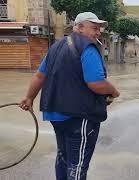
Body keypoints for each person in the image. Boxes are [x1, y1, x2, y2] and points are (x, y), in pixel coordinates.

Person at [19, 12, 120, 180]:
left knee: (63, 158)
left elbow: (39, 76)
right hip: (79, 116)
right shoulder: (87, 47)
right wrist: (114, 91)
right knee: (77, 165)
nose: (98, 32)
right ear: (79, 27)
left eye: (99, 28)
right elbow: (96, 83)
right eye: (94, 28)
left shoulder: (55, 47)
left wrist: (29, 98)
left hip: (55, 115)